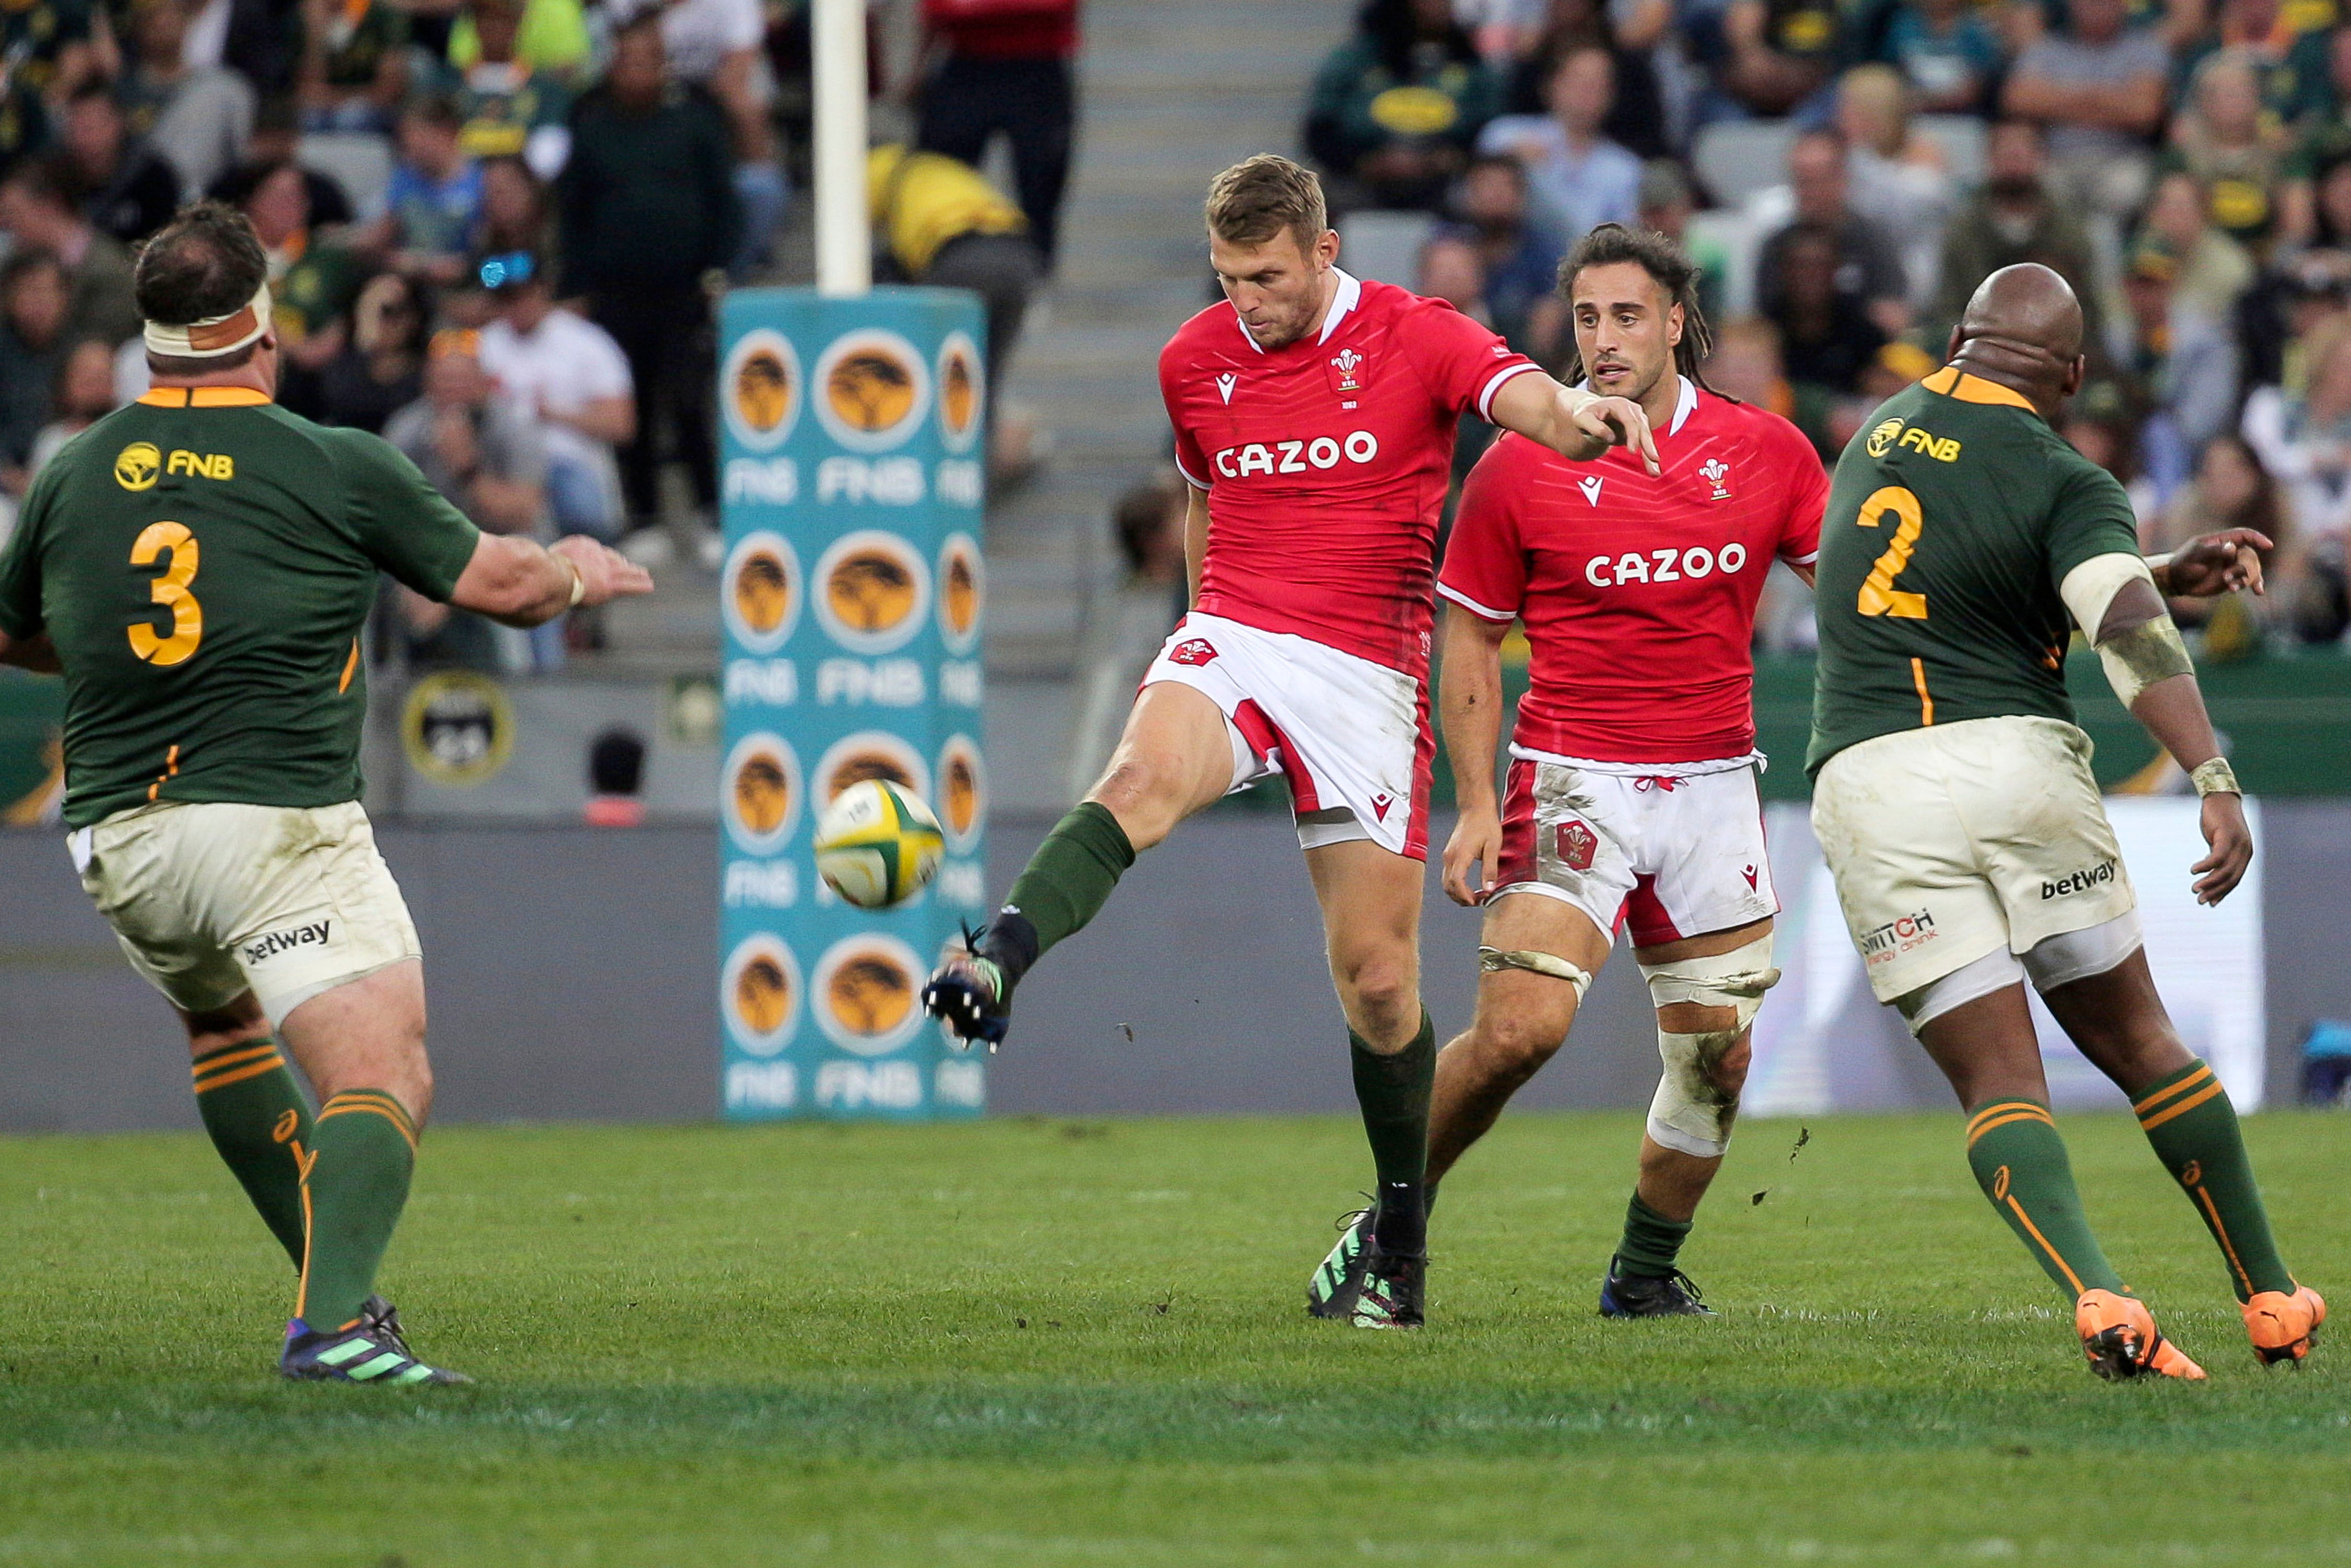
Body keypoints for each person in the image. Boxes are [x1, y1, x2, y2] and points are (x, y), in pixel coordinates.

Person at [921, 154, 1660, 1330]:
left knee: (1378, 984)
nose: (1246, 303)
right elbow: (1204, 489)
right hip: (1242, 630)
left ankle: (1401, 1245)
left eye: (1266, 276)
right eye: (1227, 280)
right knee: (1141, 776)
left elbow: (1519, 393)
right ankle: (994, 958)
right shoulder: (1194, 358)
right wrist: (1204, 615)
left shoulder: (1416, 334)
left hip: (1370, 673)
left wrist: (1578, 420)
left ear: (1324, 252)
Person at [0, 200, 651, 1384]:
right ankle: (336, 1325)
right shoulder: (327, 461)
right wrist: (574, 570)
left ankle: (336, 1293)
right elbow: (497, 583)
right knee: (382, 1069)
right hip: (270, 822)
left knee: (224, 1024)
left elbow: (28, 636)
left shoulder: (73, 470)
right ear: (262, 323)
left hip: (119, 844)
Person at [1805, 261, 2322, 1379]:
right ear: (2075, 377)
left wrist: (2146, 565)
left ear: (1957, 337)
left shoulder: (1877, 435)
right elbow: (2125, 624)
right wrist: (2212, 770)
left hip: (1870, 781)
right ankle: (2273, 1298)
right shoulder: (2063, 475)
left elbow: (1957, 566)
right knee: (2142, 1044)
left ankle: (2102, 1299)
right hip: (2011, 764)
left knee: (2000, 1083)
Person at [1398, 225, 1827, 1317]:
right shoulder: (1522, 459)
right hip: (1572, 775)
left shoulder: (1768, 452)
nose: (1604, 340)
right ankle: (1389, 1224)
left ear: (1677, 321)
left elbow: (1870, 594)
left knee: (1717, 1064)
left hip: (1716, 785)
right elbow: (1466, 640)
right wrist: (1475, 806)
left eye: (1627, 315)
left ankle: (1643, 1272)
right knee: (1517, 1034)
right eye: (1587, 318)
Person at [560, 14, 737, 555]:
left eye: (647, 59)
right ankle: (644, 517)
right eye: (626, 60)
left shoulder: (696, 123)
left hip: (684, 290)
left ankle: (711, 512)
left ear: (664, 64)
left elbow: (723, 203)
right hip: (615, 294)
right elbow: (574, 214)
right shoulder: (591, 128)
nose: (637, 71)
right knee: (629, 405)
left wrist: (717, 270)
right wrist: (578, 285)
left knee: (688, 401)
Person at [477, 248, 632, 542]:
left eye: (523, 294)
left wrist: (552, 413)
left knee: (569, 495)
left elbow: (621, 424)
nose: (516, 305)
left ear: (542, 290)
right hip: (504, 466)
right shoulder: (485, 345)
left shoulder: (585, 341)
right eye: (506, 297)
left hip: (567, 458)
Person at [915, 0, 1077, 267]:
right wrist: (918, 70)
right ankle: (940, 274)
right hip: (967, 64)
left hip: (1038, 67)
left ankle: (1032, 287)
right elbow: (938, 12)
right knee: (938, 182)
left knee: (1040, 194)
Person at [1304, 0, 1498, 213]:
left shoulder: (1471, 65)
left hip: (1449, 180)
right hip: (1362, 180)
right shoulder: (1356, 61)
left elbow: (1494, 131)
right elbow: (1320, 131)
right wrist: (1367, 163)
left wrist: (1446, 160)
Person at [1928, 120, 2103, 350]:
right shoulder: (1964, 229)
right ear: (1989, 161)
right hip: (1977, 349)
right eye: (2006, 155)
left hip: (2052, 350)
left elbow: (2087, 307)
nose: (2013, 165)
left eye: (2021, 154)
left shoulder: (2069, 229)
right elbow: (1949, 306)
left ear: (2040, 159)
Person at [2001, 0, 2169, 231]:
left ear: (2122, 5)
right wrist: (2109, 100)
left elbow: (2145, 111)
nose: (2097, 7)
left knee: (2123, 191)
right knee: (2039, 185)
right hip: (2057, 158)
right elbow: (2018, 100)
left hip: (2121, 160)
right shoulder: (2047, 48)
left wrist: (2058, 100)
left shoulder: (2145, 48)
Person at [1754, 129, 1910, 337]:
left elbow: (1893, 313)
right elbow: (1763, 322)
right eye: (1803, 181)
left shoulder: (1874, 242)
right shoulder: (1777, 247)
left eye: (1819, 180)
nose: (1812, 192)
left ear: (1842, 178)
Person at [1475, 44, 1641, 239]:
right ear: (1550, 85)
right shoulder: (1505, 135)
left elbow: (1602, 237)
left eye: (1598, 83)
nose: (1587, 92)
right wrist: (1513, 162)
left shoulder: (1625, 168)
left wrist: (1537, 173)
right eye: (1578, 81)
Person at [118, 0, 256, 200]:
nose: (164, 29)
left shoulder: (216, 88)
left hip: (206, 193)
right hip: (138, 198)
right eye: (155, 23)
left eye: (171, 21)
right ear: (140, 29)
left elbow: (241, 151)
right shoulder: (124, 90)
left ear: (186, 24)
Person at [0, 156, 137, 347]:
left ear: (49, 207)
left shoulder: (112, 273)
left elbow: (103, 345)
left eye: (14, 214)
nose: (7, 227)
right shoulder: (13, 265)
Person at [367, 93, 483, 287]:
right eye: (405, 136)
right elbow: (384, 235)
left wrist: (468, 270)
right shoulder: (404, 178)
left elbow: (494, 249)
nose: (409, 144)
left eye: (417, 134)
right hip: (414, 284)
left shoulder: (482, 180)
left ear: (447, 132)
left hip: (471, 284)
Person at [59, 80, 179, 245]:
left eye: (93, 125)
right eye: (77, 127)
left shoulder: (152, 179)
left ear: (119, 123)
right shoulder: (59, 181)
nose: (84, 137)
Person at [0, 251, 73, 492]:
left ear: (65, 297)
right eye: (30, 291)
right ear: (9, 299)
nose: (39, 303)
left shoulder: (82, 349)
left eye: (46, 291)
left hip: (70, 474)